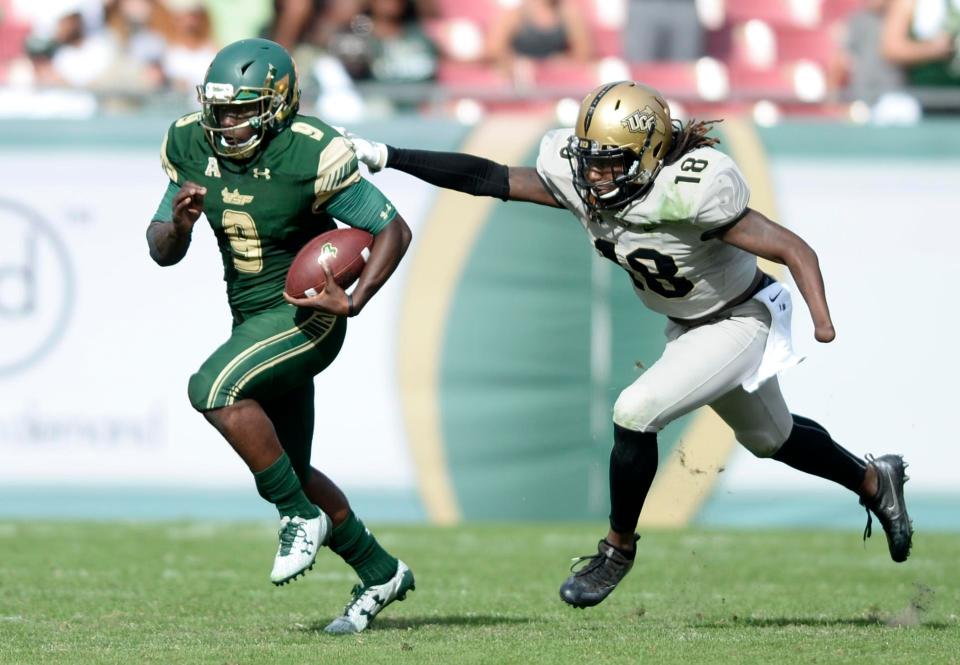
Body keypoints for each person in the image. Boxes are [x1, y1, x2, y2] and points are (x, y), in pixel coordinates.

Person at [348, 80, 914, 608]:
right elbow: (488, 177)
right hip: (688, 326)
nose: (593, 175)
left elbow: (795, 249)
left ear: (646, 156)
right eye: (588, 160)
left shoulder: (691, 190)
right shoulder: (587, 182)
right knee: (772, 438)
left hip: (740, 319)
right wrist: (391, 155)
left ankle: (616, 548)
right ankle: (873, 480)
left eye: (609, 162)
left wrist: (821, 320)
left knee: (635, 411)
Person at [146, 38, 414, 633]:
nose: (227, 120)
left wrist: (356, 297)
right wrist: (181, 225)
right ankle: (380, 571)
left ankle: (298, 517)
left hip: (306, 314)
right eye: (221, 108)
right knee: (290, 463)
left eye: (242, 108)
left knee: (212, 388)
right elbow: (161, 248)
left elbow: (391, 227)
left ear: (277, 104)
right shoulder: (191, 141)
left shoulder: (307, 151)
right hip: (252, 317)